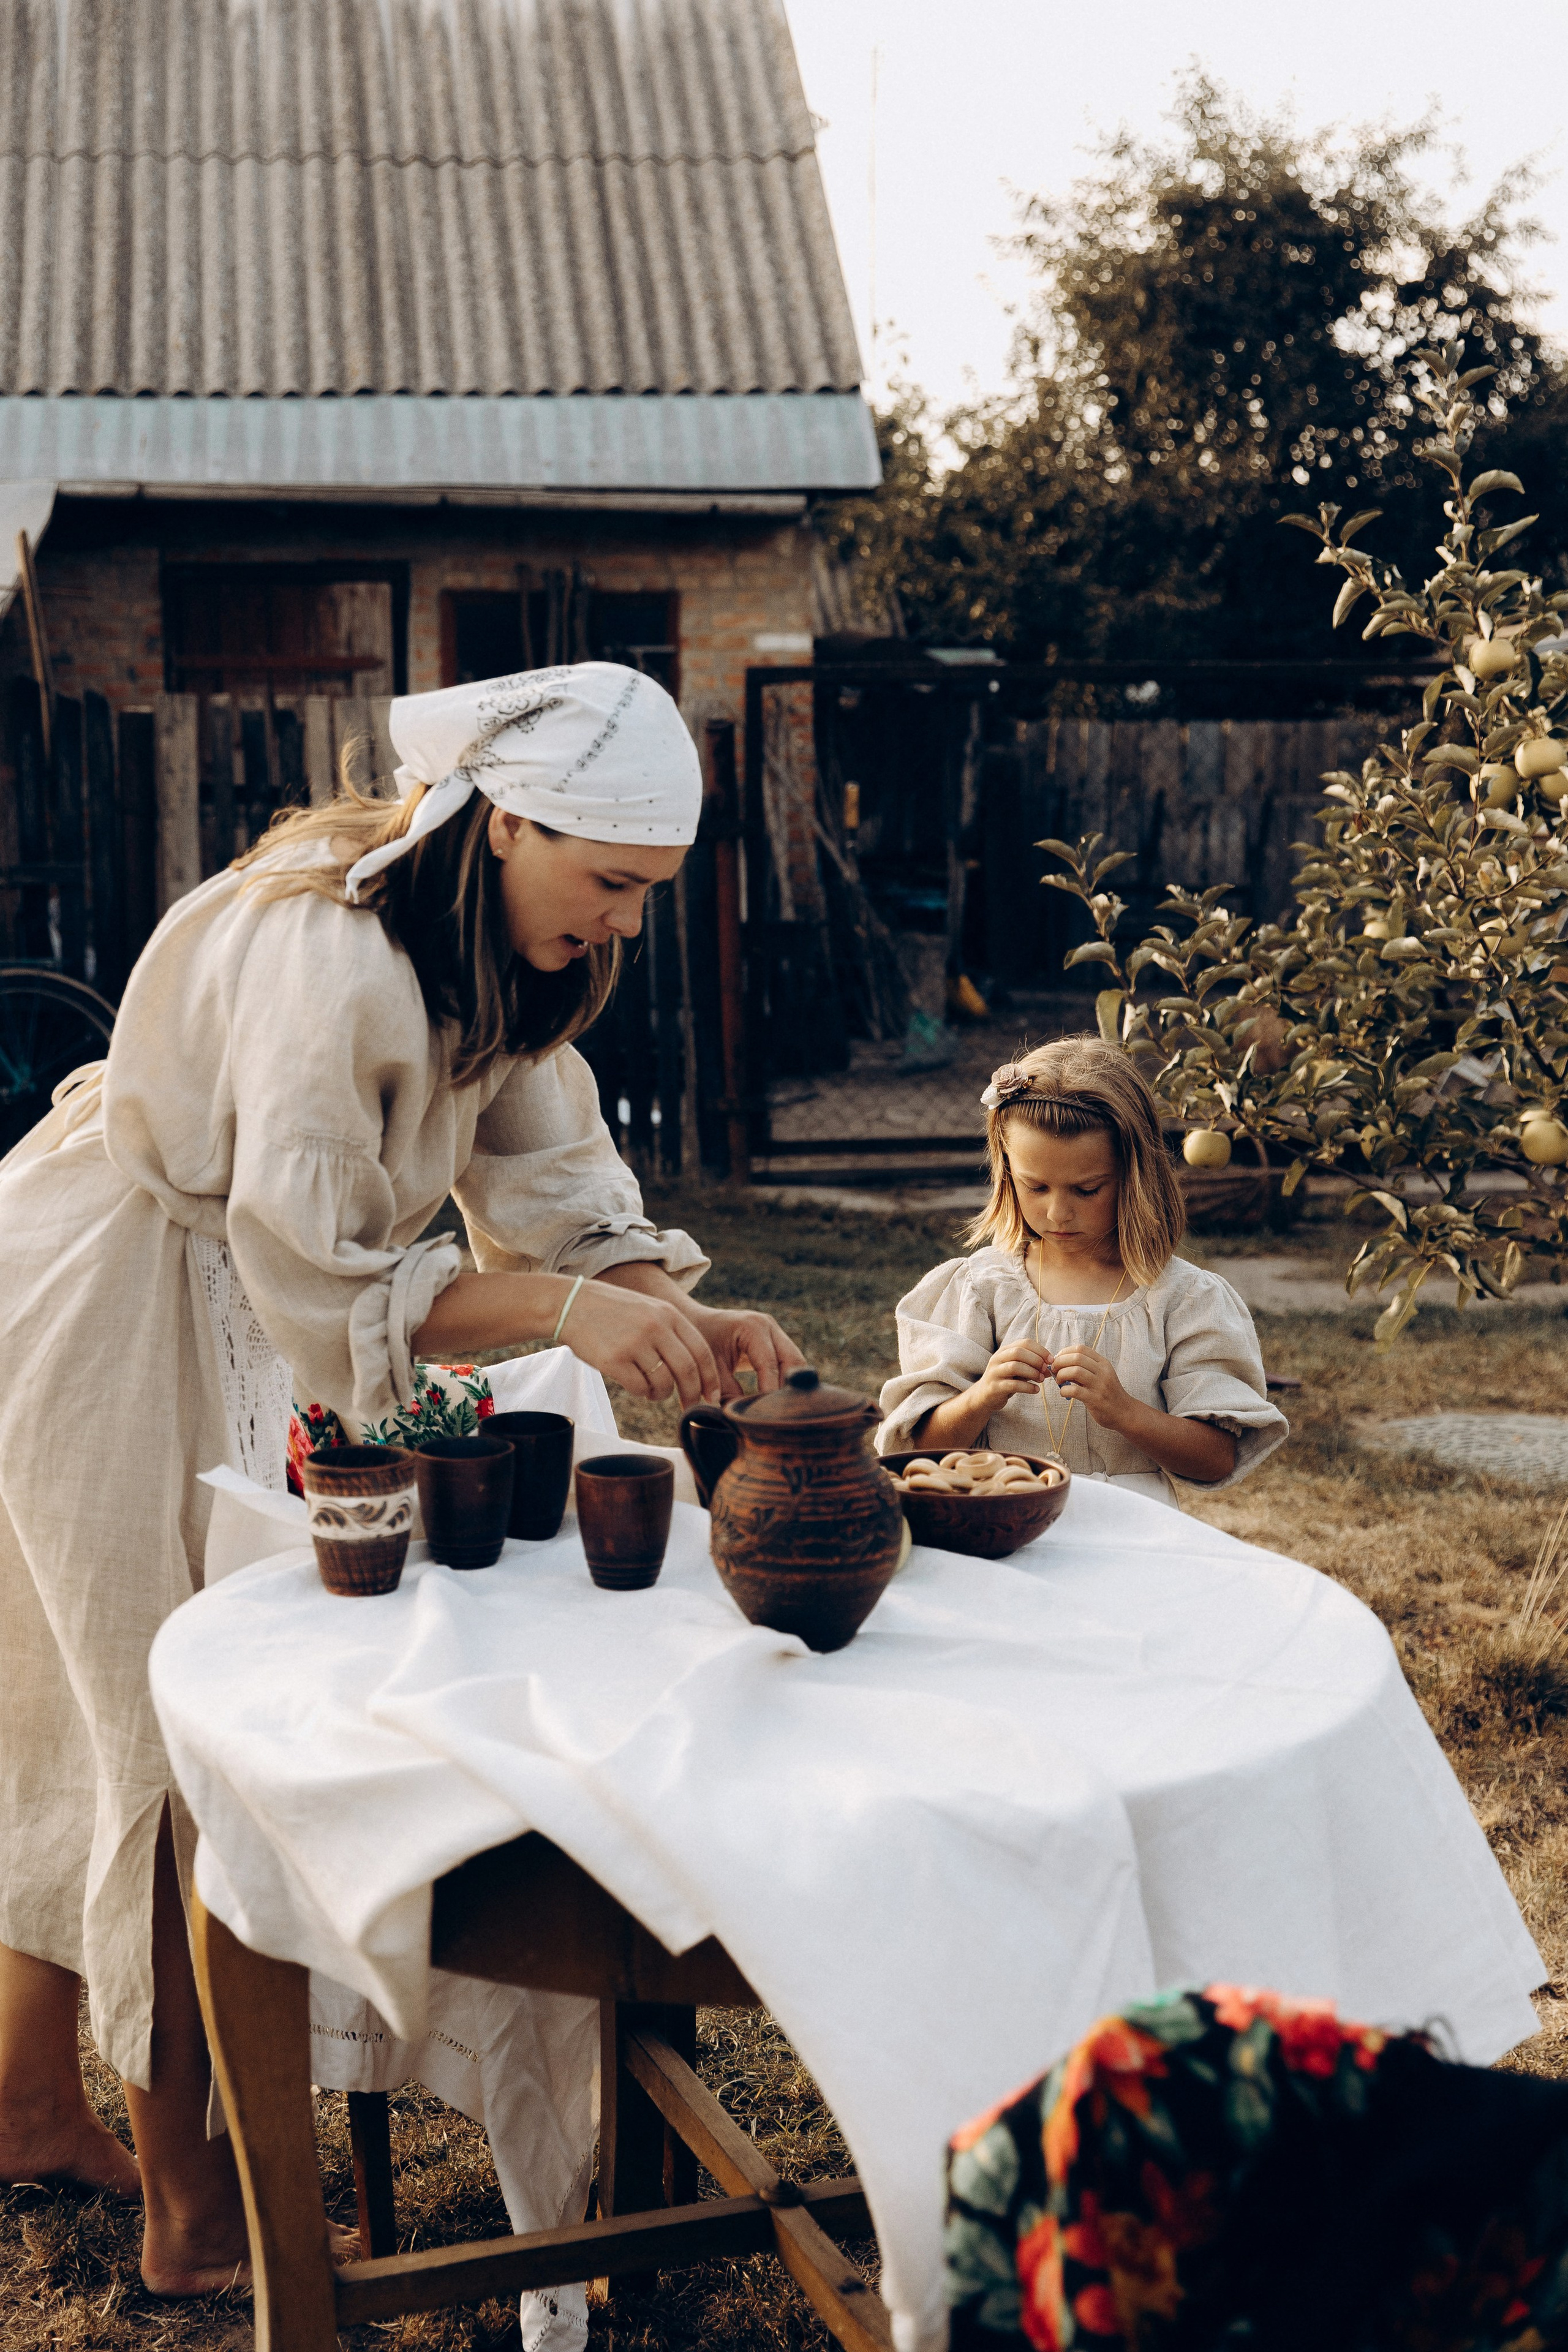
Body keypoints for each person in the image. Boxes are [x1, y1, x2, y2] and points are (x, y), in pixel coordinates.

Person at [0, 662, 802, 2294]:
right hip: (111, 1288)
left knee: (85, 1711)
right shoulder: (330, 955)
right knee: (157, 1725)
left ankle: (20, 2107)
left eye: (650, 897)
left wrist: (687, 1317)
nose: (628, 927)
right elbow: (324, 1272)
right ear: (507, 818)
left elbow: (560, 1188)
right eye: (615, 885)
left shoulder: (486, 952)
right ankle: (194, 2213)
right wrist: (575, 1314)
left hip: (218, 1286)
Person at [876, 1038, 1286, 1504]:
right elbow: (920, 1454)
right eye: (1036, 1187)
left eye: (1087, 1190)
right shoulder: (979, 1291)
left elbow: (1216, 1459)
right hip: (1003, 1519)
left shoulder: (1184, 1299)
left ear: (1135, 1176)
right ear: (1007, 1172)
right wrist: (981, 1397)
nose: (1058, 1214)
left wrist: (1125, 1412)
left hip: (1135, 1530)